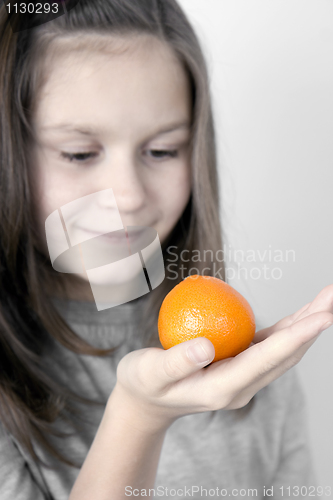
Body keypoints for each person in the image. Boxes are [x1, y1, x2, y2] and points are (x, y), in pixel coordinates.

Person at [0, 1, 332, 499]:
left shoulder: (249, 366)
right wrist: (139, 417)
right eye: (79, 153)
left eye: (162, 150)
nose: (128, 195)